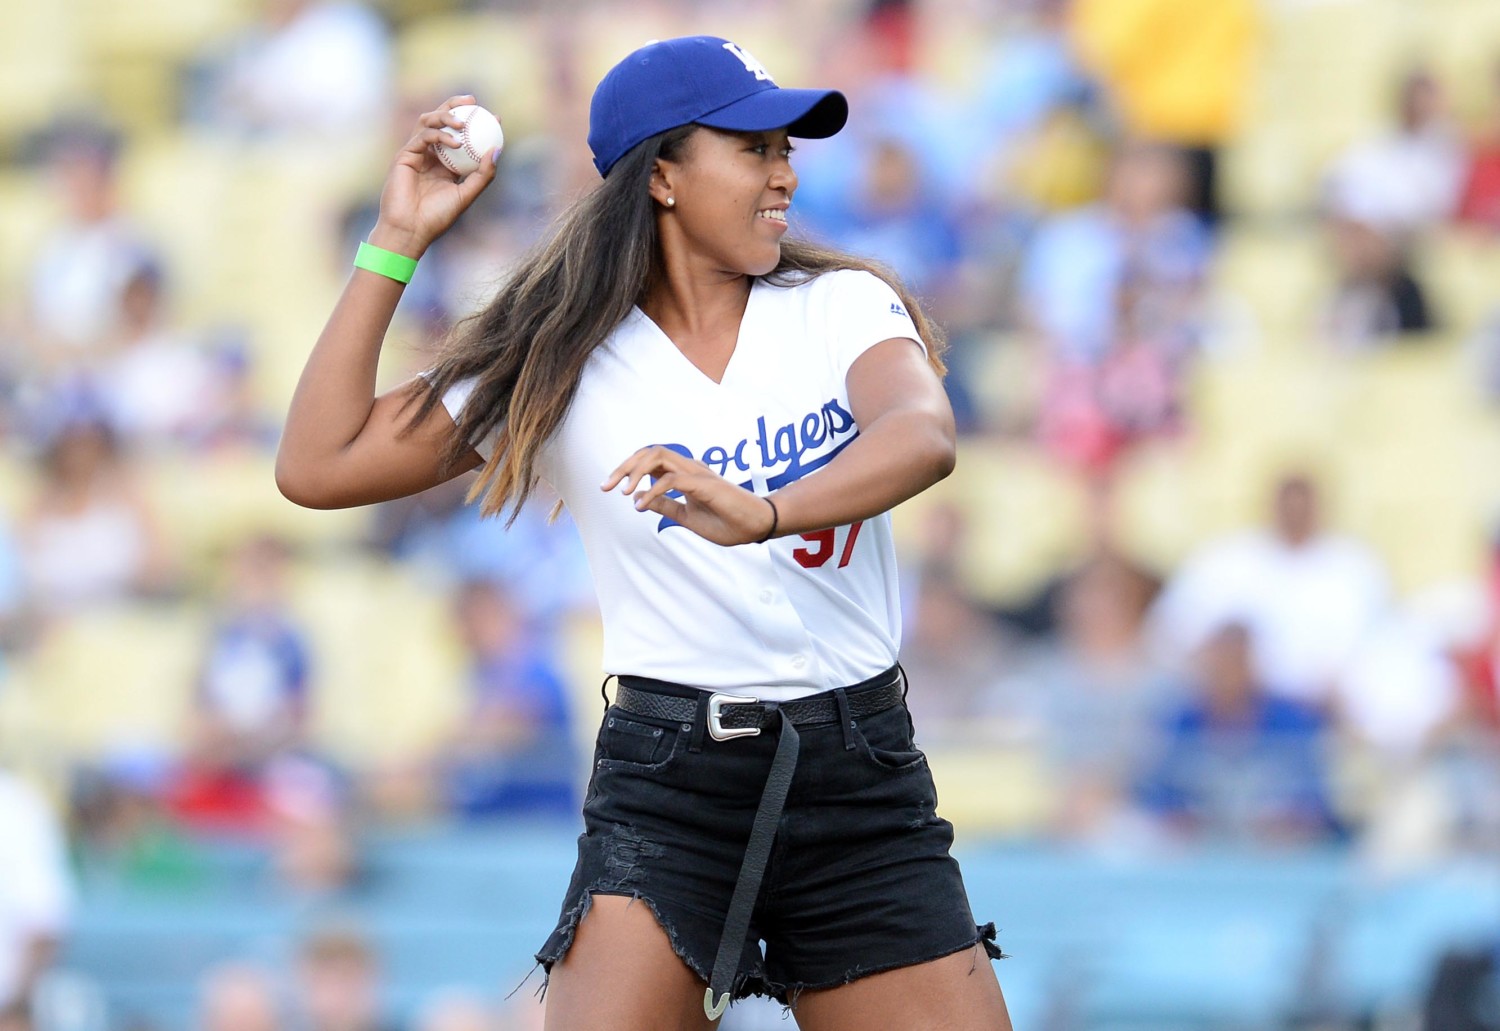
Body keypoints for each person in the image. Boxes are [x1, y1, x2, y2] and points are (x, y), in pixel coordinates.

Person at [276, 34, 1012, 1031]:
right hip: (673, 782)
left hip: (859, 776)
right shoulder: (560, 355)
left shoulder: (841, 303)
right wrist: (397, 236)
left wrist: (764, 511)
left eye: (787, 149)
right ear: (662, 174)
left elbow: (923, 434)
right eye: (754, 147)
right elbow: (317, 465)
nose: (785, 172)